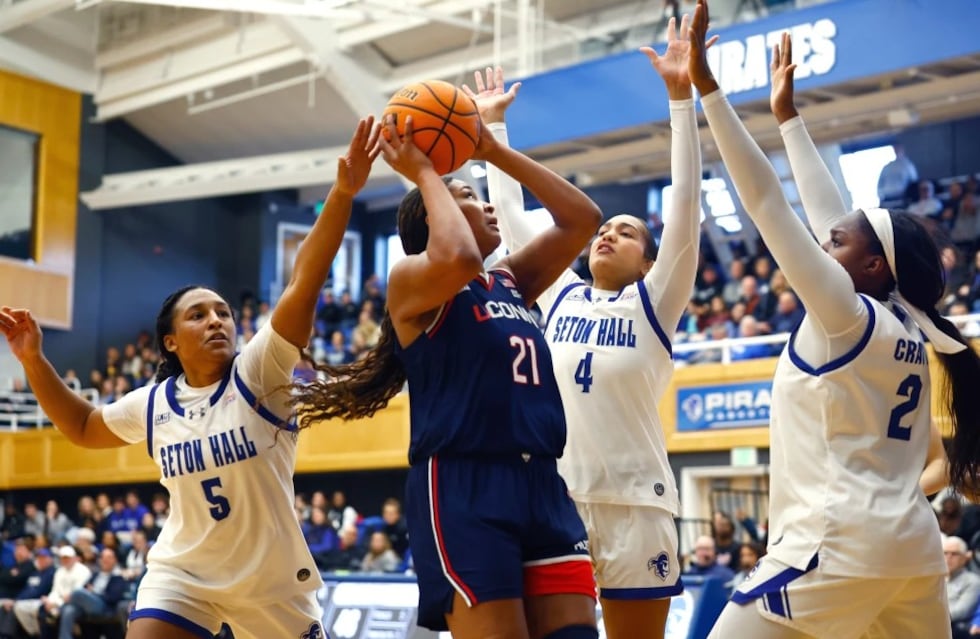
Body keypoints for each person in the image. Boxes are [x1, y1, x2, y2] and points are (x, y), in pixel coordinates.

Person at [0, 116, 381, 639]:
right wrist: (32, 359)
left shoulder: (260, 369)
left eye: (222, 311)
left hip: (269, 584)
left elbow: (306, 279)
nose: (217, 320)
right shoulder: (154, 403)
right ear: (171, 342)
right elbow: (85, 427)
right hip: (184, 575)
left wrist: (342, 193)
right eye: (198, 315)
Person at [687, 6, 980, 637]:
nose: (822, 246)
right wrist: (789, 119)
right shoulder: (909, 323)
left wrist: (707, 88)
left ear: (873, 265)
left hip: (833, 552)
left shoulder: (847, 317)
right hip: (911, 555)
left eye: (834, 244)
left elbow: (766, 201)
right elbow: (834, 219)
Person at [289, 92, 603, 637]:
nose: (484, 206)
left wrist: (488, 149)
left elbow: (582, 220)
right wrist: (425, 173)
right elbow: (456, 256)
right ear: (430, 218)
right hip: (464, 485)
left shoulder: (508, 281)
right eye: (466, 197)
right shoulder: (411, 283)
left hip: (543, 482)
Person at [472, 21, 704, 637]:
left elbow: (685, 208)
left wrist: (681, 101)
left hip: (637, 504)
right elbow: (516, 224)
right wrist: (494, 127)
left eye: (626, 232)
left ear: (650, 261)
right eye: (605, 228)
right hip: (556, 499)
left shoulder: (656, 301)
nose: (607, 233)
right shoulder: (559, 293)